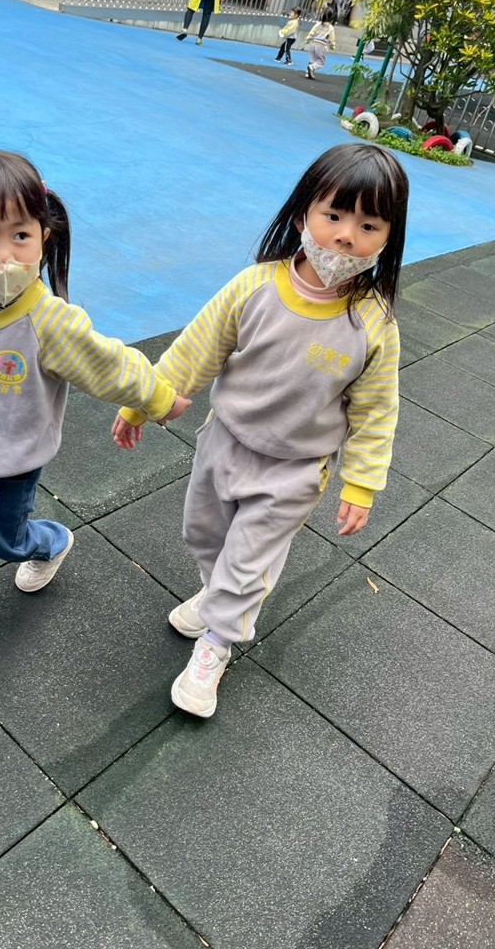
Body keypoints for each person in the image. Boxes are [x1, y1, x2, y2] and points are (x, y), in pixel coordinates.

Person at [112, 143, 408, 718]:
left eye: (369, 225)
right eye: (333, 216)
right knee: (204, 535)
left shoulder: (373, 323)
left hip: (294, 469)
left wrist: (361, 483)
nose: (346, 237)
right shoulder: (256, 286)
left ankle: (217, 641)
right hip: (224, 441)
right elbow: (195, 351)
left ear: (388, 238)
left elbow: (376, 413)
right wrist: (142, 403)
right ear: (301, 216)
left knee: (248, 560)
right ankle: (217, 594)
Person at [0, 148, 190, 675]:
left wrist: (158, 399)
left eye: (20, 235)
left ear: (43, 236)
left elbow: (108, 363)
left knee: (6, 540)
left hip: (12, 458)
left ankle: (50, 542)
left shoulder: (48, 321)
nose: (6, 256)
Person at [304, 7, 336, 80]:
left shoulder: (317, 24)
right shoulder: (330, 27)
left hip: (313, 43)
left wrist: (307, 40)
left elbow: (311, 33)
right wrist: (332, 46)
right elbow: (331, 39)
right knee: (321, 61)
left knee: (312, 59)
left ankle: (308, 72)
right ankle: (311, 67)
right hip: (321, 45)